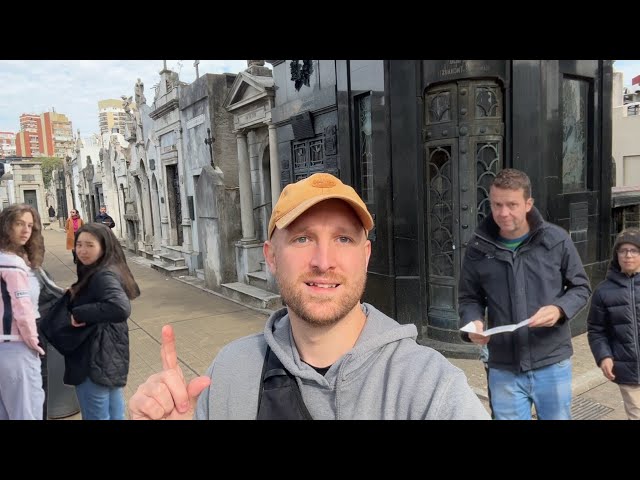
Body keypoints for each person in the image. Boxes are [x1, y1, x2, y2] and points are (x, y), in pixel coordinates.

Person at [128, 173, 490, 420]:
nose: (323, 262)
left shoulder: (429, 388)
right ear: (270, 256)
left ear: (365, 256)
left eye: (343, 239)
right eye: (302, 238)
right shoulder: (230, 373)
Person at [458, 168, 591, 420]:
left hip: (552, 361)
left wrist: (560, 309)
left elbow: (581, 287)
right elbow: (469, 298)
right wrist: (472, 323)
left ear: (528, 203)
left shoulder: (556, 240)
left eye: (512, 204)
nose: (503, 213)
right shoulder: (478, 247)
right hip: (503, 366)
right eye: (497, 204)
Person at [62, 223, 140, 420]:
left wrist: (79, 313)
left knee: (97, 415)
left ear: (104, 247)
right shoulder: (107, 269)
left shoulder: (103, 275)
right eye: (79, 244)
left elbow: (120, 307)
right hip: (109, 357)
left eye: (90, 245)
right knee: (115, 413)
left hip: (95, 358)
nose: (82, 250)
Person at [587, 229, 640, 420]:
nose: (628, 255)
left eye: (634, 250)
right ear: (616, 255)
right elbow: (596, 330)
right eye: (623, 250)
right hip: (628, 371)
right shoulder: (603, 291)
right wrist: (604, 356)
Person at [0, 204, 46, 420]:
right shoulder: (12, 263)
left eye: (29, 225)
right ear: (6, 225)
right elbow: (22, 308)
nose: (26, 230)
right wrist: (33, 342)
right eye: (19, 224)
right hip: (17, 346)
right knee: (27, 411)